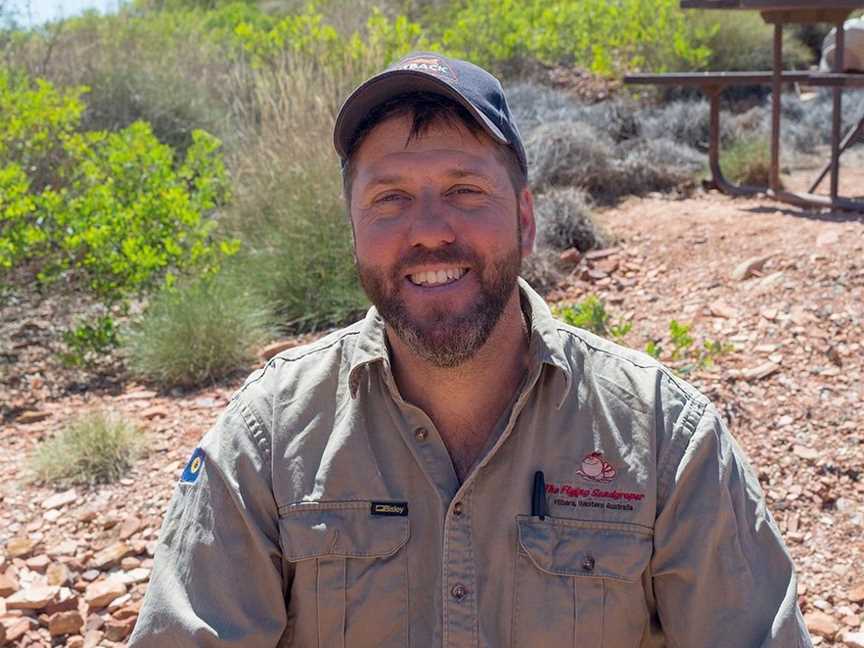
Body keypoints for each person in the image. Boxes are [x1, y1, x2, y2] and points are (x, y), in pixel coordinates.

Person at [128, 52, 812, 647]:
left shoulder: (666, 436)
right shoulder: (267, 437)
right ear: (353, 231)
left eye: (464, 190)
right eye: (389, 198)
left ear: (524, 217)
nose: (429, 232)